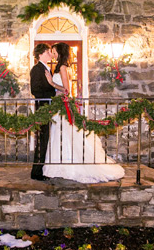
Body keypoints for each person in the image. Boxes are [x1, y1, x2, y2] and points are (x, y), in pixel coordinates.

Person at [43, 42, 125, 183]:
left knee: (64, 134)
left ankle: (68, 165)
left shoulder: (62, 67)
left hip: (63, 106)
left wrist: (51, 83)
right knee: (62, 135)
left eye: (55, 51)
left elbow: (66, 90)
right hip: (58, 106)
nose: (53, 53)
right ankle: (60, 164)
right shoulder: (60, 67)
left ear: (60, 53)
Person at [29, 43, 59, 181]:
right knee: (42, 139)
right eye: (48, 52)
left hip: (49, 108)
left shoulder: (48, 68)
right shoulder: (37, 69)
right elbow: (35, 90)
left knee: (46, 139)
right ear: (40, 54)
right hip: (43, 108)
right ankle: (36, 172)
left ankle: (43, 168)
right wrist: (52, 92)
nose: (50, 54)